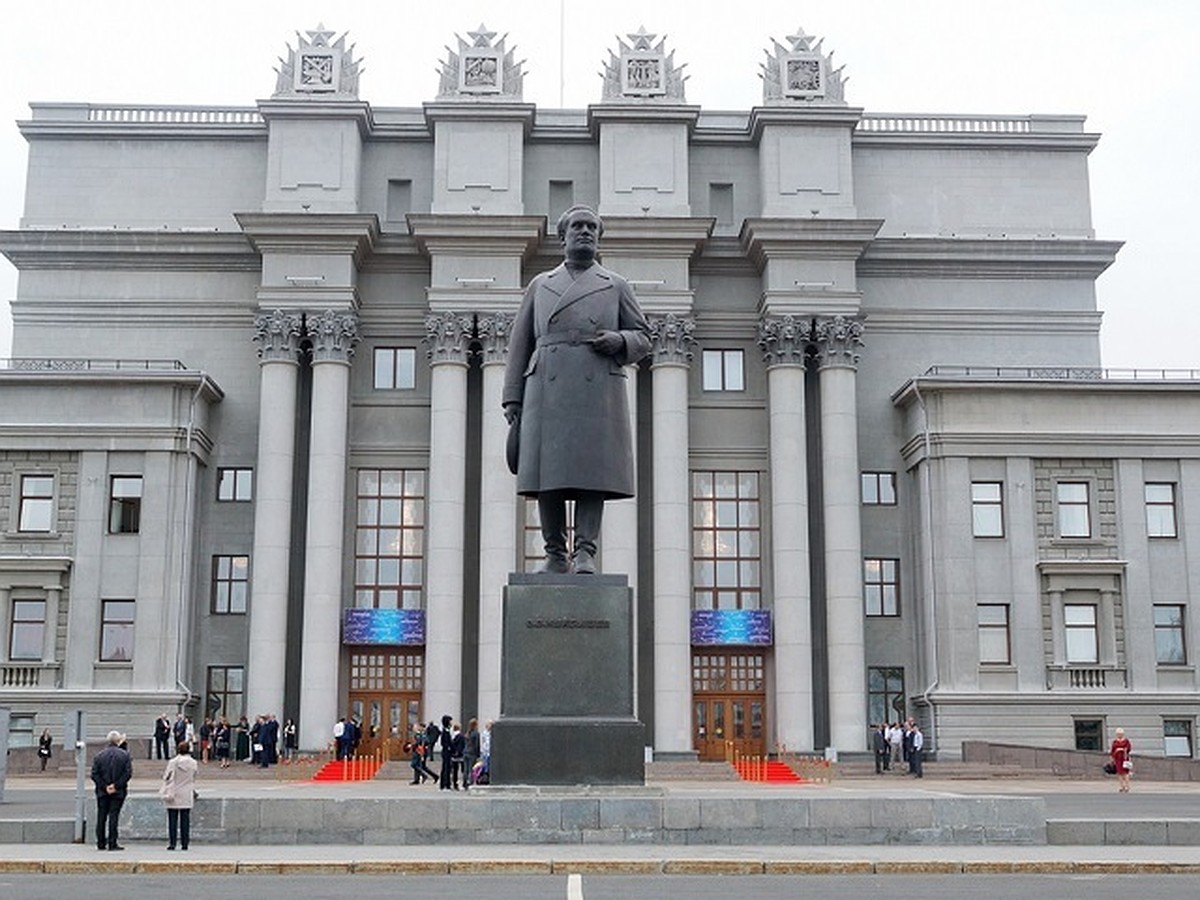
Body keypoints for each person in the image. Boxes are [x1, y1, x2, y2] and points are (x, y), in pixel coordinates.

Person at [502, 205, 652, 575]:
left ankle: (585, 551)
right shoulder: (540, 284)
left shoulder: (615, 284)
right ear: (562, 236)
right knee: (546, 475)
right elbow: (520, 342)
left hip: (596, 386)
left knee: (591, 475)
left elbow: (645, 337)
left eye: (591, 227)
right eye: (577, 227)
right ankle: (554, 553)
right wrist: (512, 397)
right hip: (545, 388)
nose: (585, 232)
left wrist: (619, 339)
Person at [91, 730, 133, 851]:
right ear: (118, 741)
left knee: (101, 817)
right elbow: (127, 773)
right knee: (114, 816)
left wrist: (105, 786)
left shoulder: (99, 755)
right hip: (118, 792)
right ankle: (112, 842)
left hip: (102, 792)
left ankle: (100, 842)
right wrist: (116, 786)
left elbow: (94, 774)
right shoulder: (124, 755)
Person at [160, 740, 198, 850]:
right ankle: (185, 843)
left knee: (172, 819)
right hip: (187, 792)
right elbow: (194, 776)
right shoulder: (193, 763)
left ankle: (172, 843)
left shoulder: (173, 762)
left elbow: (166, 776)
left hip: (174, 792)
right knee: (185, 820)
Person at [1111, 727, 1132, 793]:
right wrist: (1112, 758)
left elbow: (1129, 748)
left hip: (1124, 758)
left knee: (1126, 773)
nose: (1119, 735)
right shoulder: (1115, 741)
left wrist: (1122, 749)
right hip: (1117, 758)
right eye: (1118, 734)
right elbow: (1112, 750)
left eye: (1120, 734)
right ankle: (1121, 786)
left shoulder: (1126, 741)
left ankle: (1127, 786)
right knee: (1119, 773)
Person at [463, 718, 481, 790]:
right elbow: (477, 745)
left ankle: (465, 783)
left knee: (466, 769)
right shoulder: (476, 733)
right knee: (471, 769)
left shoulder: (467, 733)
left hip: (465, 752)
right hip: (472, 753)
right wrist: (478, 754)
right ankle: (470, 782)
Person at [438, 714, 455, 790]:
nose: (451, 723)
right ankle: (445, 784)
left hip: (447, 752)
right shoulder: (445, 731)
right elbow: (444, 742)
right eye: (450, 721)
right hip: (446, 752)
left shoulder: (447, 730)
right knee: (446, 768)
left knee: (447, 768)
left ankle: (446, 783)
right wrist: (449, 747)